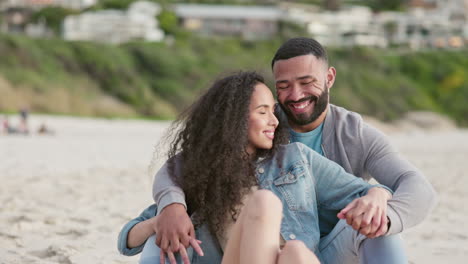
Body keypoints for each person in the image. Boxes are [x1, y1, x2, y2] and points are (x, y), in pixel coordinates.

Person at [134, 37, 438, 264]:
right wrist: (170, 206)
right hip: (253, 248)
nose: (295, 95)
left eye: (307, 82)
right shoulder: (263, 128)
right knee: (265, 208)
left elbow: (417, 188)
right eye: (283, 86)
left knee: (379, 227)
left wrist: (380, 198)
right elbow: (181, 167)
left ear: (329, 78)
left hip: (324, 249)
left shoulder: (352, 135)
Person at [117, 72, 394, 264]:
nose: (274, 120)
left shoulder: (296, 159)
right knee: (264, 202)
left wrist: (378, 195)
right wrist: (163, 216)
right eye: (263, 112)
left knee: (296, 251)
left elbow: (364, 193)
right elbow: (126, 240)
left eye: (274, 111)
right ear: (233, 120)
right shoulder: (199, 173)